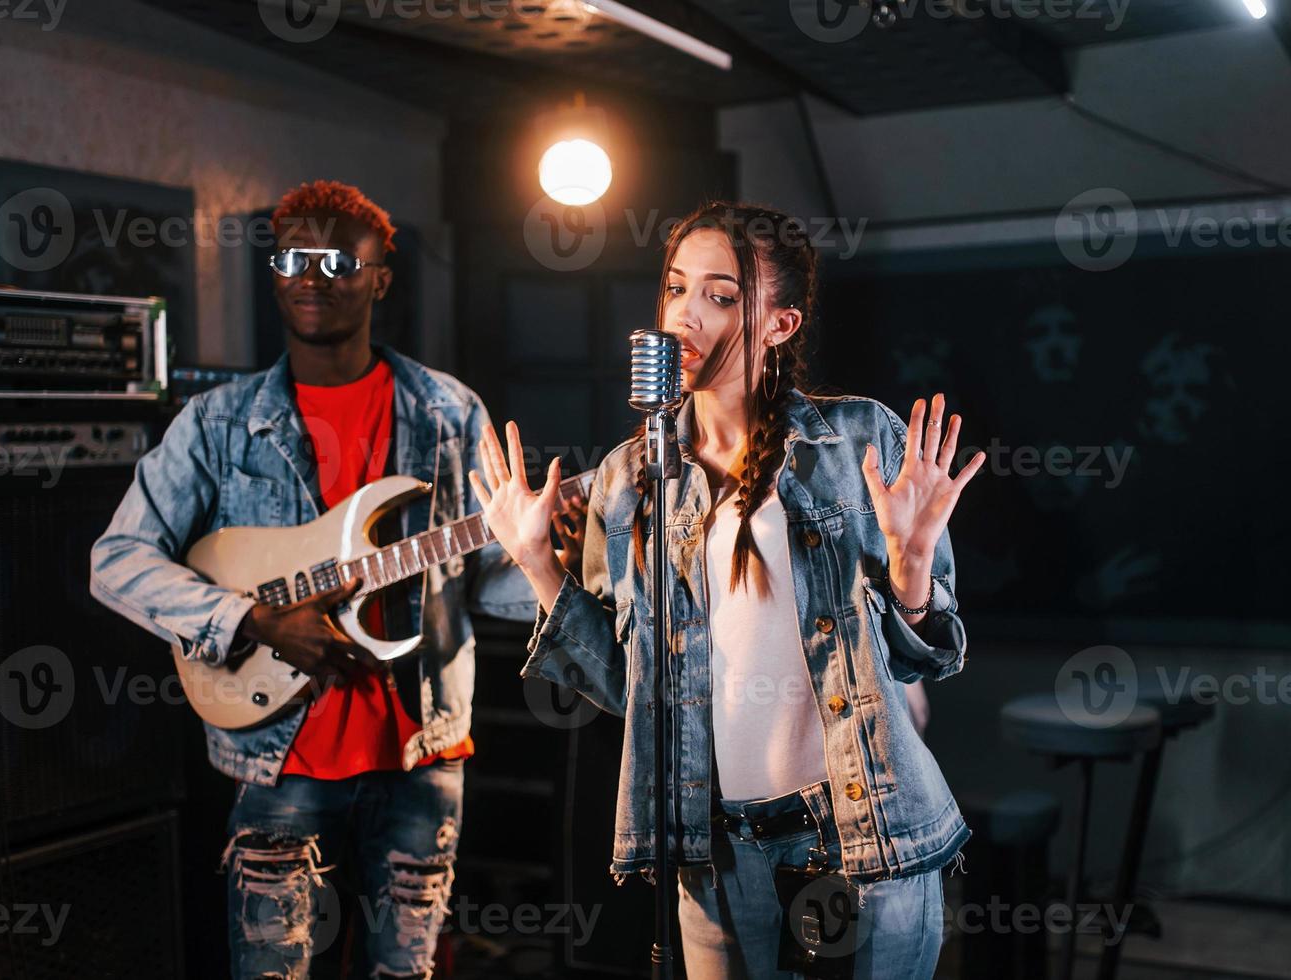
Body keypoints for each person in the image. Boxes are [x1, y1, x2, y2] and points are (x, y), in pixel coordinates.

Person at [470, 202, 985, 978]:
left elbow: (926, 661)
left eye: (719, 294)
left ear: (779, 324)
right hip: (709, 845)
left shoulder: (855, 441)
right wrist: (540, 564)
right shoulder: (628, 477)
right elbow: (624, 688)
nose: (685, 314)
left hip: (859, 830)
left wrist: (912, 574)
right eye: (676, 289)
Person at [90, 180, 574, 979]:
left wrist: (549, 556)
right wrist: (252, 621)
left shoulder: (449, 412)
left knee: (404, 974)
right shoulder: (217, 421)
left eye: (338, 259)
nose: (311, 275)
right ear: (274, 272)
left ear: (382, 276)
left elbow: (483, 585)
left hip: (423, 753)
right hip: (280, 757)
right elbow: (116, 561)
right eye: (291, 258)